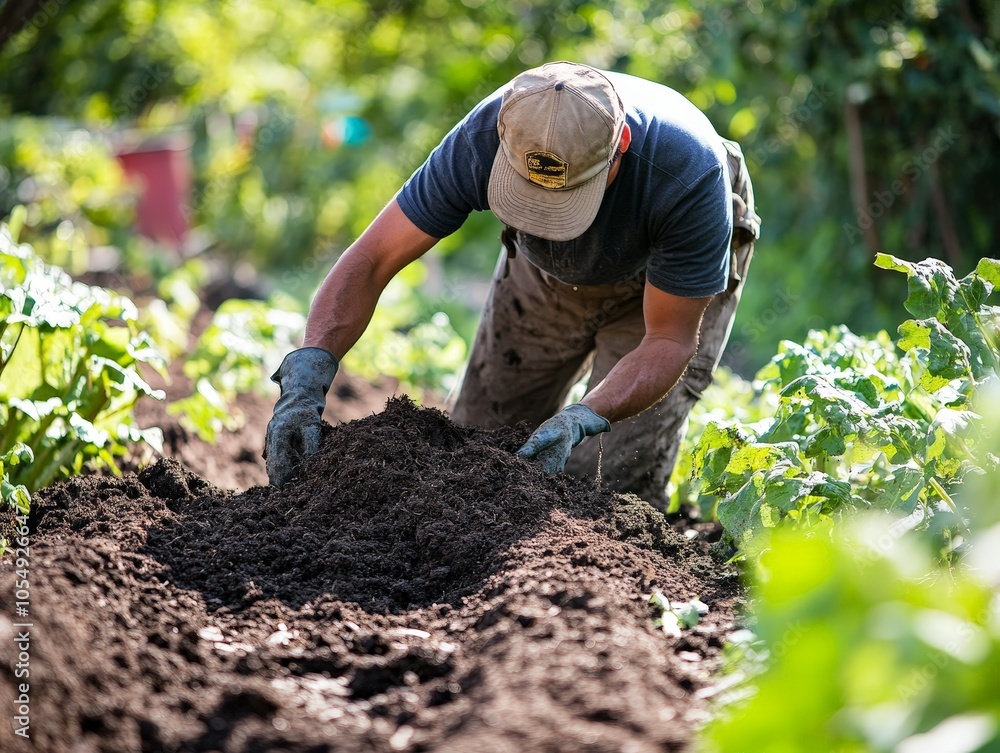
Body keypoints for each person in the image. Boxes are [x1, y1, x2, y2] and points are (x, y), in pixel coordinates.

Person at [264, 61, 760, 509]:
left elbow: (668, 341)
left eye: (565, 199)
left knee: (603, 487)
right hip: (544, 276)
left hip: (662, 289)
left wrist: (584, 416)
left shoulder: (688, 175)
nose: (545, 215)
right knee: (478, 453)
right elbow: (372, 259)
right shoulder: (485, 135)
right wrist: (311, 366)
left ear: (621, 147)